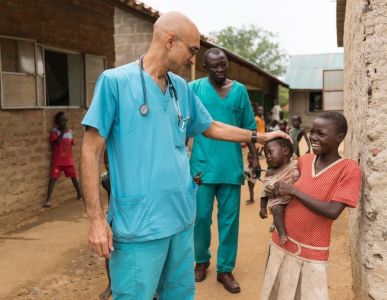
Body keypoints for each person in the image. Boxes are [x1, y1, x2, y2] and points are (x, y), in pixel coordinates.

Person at [80, 11, 289, 300]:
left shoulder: (180, 88)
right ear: (169, 40)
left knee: (179, 295)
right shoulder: (115, 82)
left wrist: (262, 136)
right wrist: (95, 219)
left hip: (180, 219)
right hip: (139, 224)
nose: (193, 59)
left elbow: (211, 126)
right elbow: (90, 150)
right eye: (191, 50)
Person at [260, 112, 361, 300]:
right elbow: (280, 182)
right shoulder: (303, 161)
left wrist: (294, 191)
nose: (313, 137)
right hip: (281, 243)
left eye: (320, 133)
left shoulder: (349, 169)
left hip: (311, 253)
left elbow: (332, 211)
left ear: (339, 138)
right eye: (312, 131)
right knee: (275, 292)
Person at [189, 48, 260, 293]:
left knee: (229, 221)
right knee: (200, 218)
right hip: (201, 167)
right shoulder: (194, 89)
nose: (220, 70)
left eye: (223, 66)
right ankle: (201, 260)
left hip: (230, 167)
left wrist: (254, 159)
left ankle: (225, 269)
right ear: (205, 68)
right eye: (215, 67)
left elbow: (249, 128)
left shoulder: (239, 91)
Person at [258, 138, 299, 245]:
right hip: (280, 200)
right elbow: (265, 192)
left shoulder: (295, 164)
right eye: (265, 154)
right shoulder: (270, 173)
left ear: (285, 151)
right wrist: (262, 208)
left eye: (270, 152)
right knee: (276, 209)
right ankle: (282, 234)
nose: (267, 156)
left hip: (296, 196)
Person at [43, 112, 82, 208]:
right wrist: (62, 133)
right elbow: (57, 142)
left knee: (74, 177)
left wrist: (66, 132)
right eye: (61, 121)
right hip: (58, 161)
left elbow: (70, 144)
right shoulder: (54, 132)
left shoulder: (70, 132)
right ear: (57, 122)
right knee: (53, 179)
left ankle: (79, 194)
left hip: (68, 160)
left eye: (65, 120)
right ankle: (48, 200)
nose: (63, 122)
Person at [99, 151, 112, 300]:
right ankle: (111, 285)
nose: (108, 166)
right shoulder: (106, 180)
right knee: (109, 253)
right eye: (106, 163)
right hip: (114, 218)